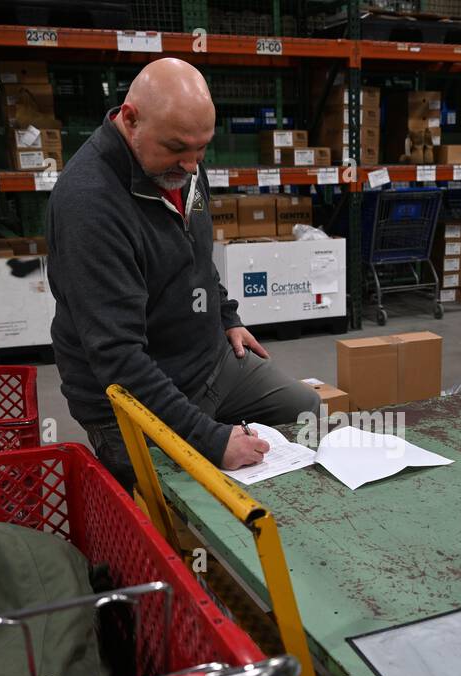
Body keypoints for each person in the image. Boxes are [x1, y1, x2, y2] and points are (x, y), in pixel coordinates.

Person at [46, 58, 320, 485]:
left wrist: (225, 314)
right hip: (129, 402)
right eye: (178, 148)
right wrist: (210, 440)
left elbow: (194, 255)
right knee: (184, 514)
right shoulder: (90, 205)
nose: (193, 165)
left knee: (306, 411)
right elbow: (118, 359)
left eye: (202, 148)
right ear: (130, 119)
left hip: (206, 364)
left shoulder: (180, 167)